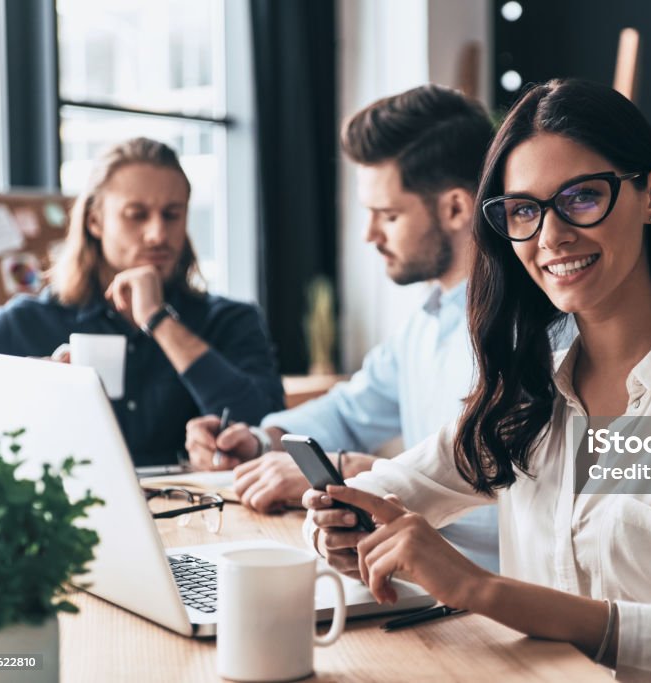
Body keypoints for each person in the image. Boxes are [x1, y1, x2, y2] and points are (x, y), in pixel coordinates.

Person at [303, 79, 651, 682]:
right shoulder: (527, 394)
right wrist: (333, 525)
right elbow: (389, 489)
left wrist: (481, 589)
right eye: (524, 210)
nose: (550, 236)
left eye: (581, 197)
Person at [184, 85, 505, 571]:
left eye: (388, 215)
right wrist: (257, 440)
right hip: (420, 580)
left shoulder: (533, 327)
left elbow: (539, 487)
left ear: (457, 209)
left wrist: (360, 475)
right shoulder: (426, 320)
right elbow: (352, 410)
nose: (369, 234)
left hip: (489, 593)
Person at [0, 138, 284, 465]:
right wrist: (6, 409)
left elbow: (266, 430)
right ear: (94, 222)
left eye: (172, 215)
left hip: (200, 513)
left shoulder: (231, 320)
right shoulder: (24, 322)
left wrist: (158, 320)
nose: (157, 234)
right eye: (136, 215)